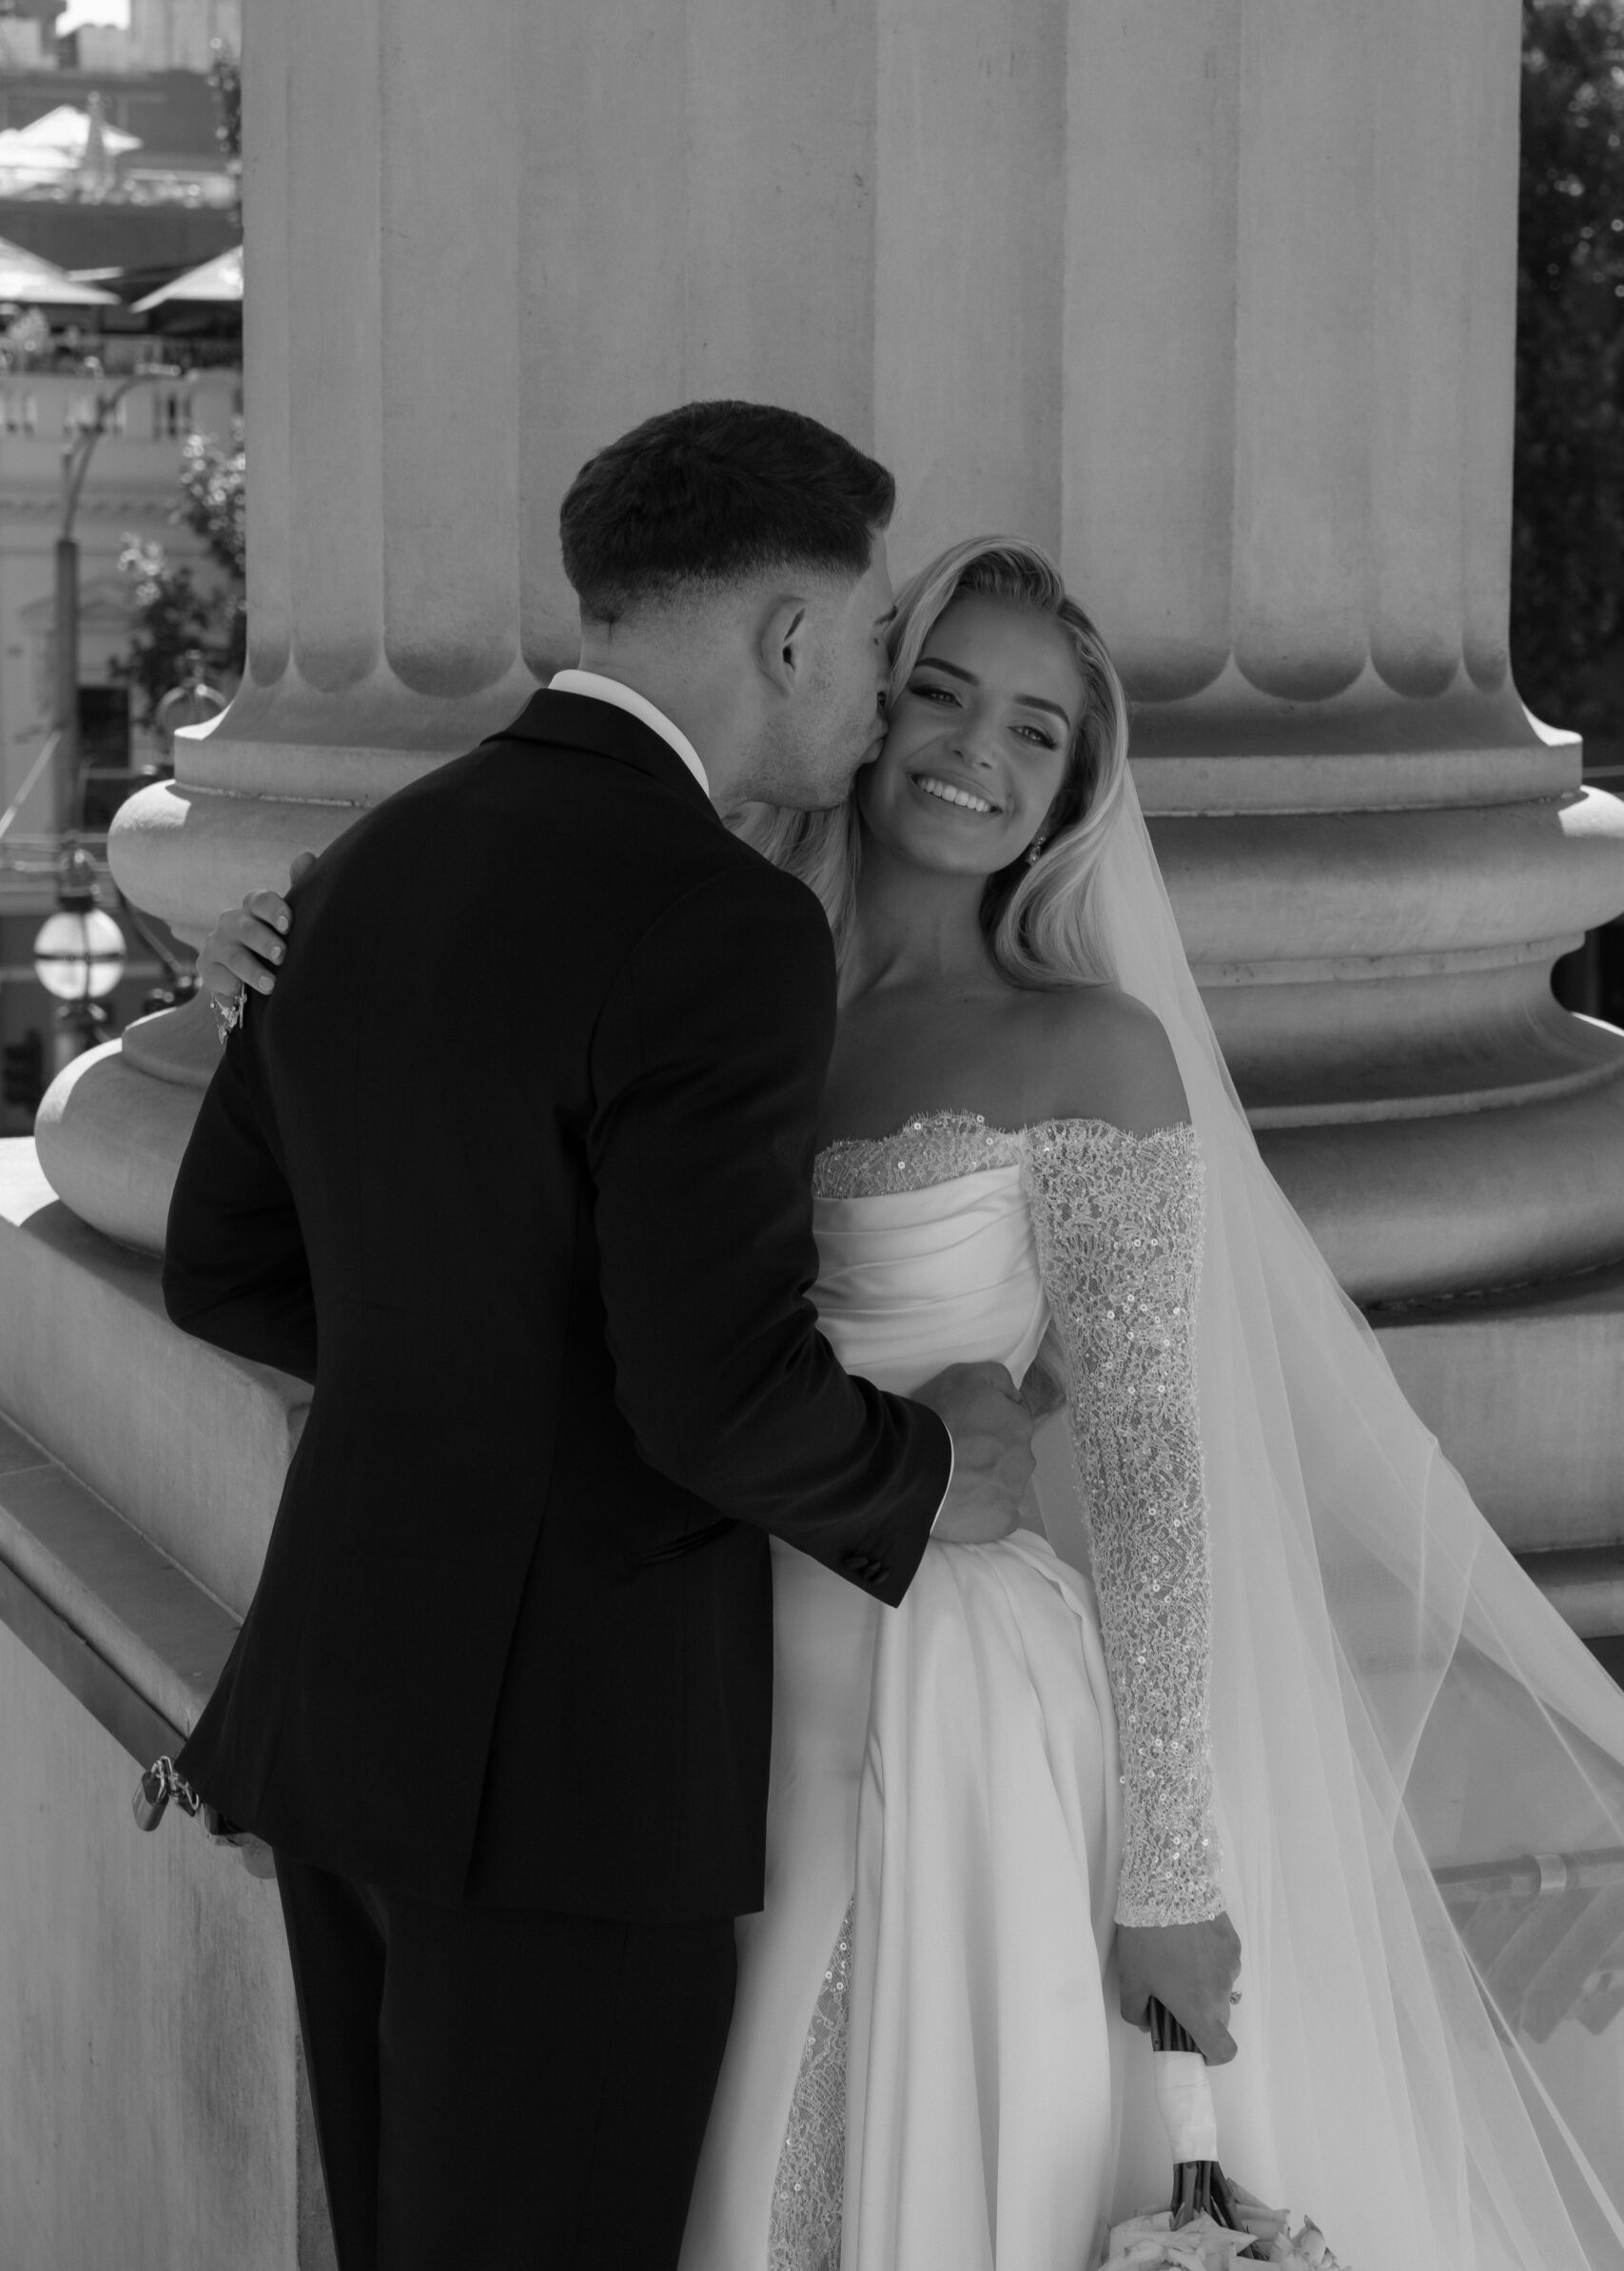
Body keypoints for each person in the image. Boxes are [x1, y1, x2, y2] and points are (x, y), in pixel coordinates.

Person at [205, 528, 1624, 2271]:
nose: (975, 750)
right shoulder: (690, 955)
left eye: (1036, 732)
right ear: (864, 706)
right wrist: (270, 979)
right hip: (649, 1666)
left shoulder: (1086, 1051)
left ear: (1074, 792)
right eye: (941, 692)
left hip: (935, 1700)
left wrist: (1171, 1870)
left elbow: (1157, 1465)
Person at [159, 402, 1044, 2271]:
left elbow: (226, 1263)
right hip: (574, 1775)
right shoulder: (717, 922)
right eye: (878, 641)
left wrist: (478, 1341)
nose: (880, 696)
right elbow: (712, 1395)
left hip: (351, 1719)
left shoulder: (370, 858)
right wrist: (943, 1464)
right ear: (790, 635)